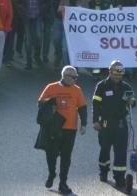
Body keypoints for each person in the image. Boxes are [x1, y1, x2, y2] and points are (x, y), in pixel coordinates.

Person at [38, 65, 88, 195]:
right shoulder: (51, 87)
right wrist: (51, 104)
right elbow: (41, 103)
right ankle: (51, 173)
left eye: (76, 77)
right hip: (54, 128)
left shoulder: (77, 90)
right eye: (73, 77)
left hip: (70, 129)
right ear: (65, 76)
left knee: (66, 157)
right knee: (51, 153)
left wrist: (84, 123)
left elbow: (82, 107)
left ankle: (63, 183)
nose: (75, 79)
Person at [92, 60, 136, 187]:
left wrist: (131, 102)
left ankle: (119, 177)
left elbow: (134, 102)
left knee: (121, 151)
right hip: (105, 122)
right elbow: (95, 104)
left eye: (120, 75)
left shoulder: (126, 87)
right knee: (105, 149)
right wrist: (95, 120)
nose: (117, 77)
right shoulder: (101, 86)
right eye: (115, 74)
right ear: (110, 72)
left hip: (121, 123)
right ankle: (103, 171)